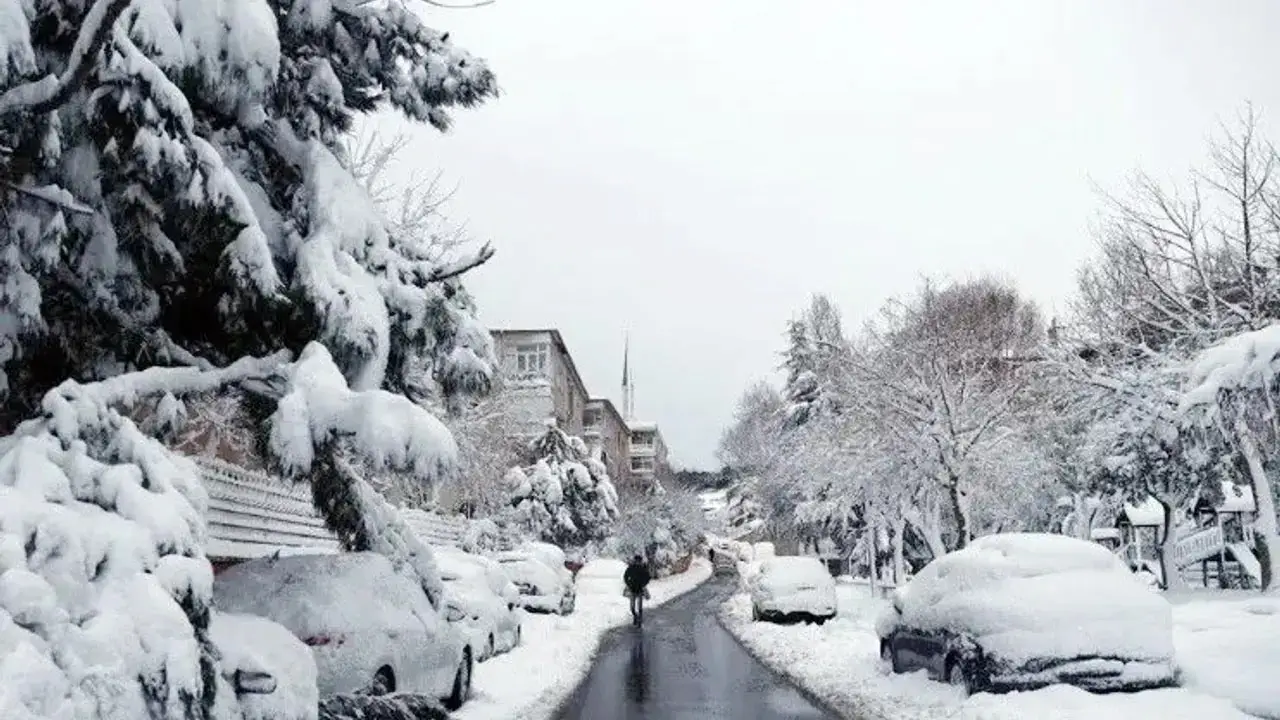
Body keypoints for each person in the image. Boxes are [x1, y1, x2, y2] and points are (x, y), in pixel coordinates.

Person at [623, 553, 651, 626]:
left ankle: (639, 620)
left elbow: (648, 577)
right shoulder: (631, 568)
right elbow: (625, 576)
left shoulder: (643, 569)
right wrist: (629, 584)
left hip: (640, 590)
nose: (638, 562)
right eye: (637, 561)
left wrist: (643, 584)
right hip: (632, 590)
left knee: (640, 607)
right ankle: (635, 616)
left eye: (639, 561)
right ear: (635, 561)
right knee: (632, 608)